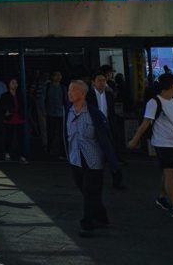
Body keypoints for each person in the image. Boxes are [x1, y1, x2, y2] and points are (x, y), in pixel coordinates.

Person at [128, 72, 173, 219]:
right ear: (172, 86)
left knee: (169, 173)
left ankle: (162, 197)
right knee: (170, 173)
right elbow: (145, 124)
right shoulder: (154, 102)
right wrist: (135, 140)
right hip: (163, 143)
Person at [65, 80, 119, 237]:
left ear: (83, 94)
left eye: (73, 90)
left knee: (89, 191)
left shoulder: (94, 114)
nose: (69, 93)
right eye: (69, 89)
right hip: (75, 159)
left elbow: (105, 138)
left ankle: (87, 223)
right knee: (87, 191)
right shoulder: (68, 113)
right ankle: (102, 217)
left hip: (93, 160)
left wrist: (113, 161)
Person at [86, 70, 125, 189]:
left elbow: (111, 112)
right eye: (99, 81)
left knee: (109, 153)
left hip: (107, 128)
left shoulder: (109, 95)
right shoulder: (88, 96)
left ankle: (116, 179)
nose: (102, 83)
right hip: (94, 128)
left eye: (104, 80)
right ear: (93, 82)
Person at [0, 77, 27, 163]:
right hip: (9, 118)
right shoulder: (4, 95)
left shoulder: (20, 95)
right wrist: (5, 112)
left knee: (20, 137)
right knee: (9, 137)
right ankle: (7, 153)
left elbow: (23, 106)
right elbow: (1, 106)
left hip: (19, 118)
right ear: (9, 84)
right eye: (13, 82)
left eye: (16, 83)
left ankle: (22, 155)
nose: (15, 84)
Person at [45, 71, 68, 158]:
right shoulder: (47, 87)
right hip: (50, 113)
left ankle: (62, 151)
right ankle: (51, 151)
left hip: (61, 114)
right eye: (56, 75)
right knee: (51, 133)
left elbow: (66, 101)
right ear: (52, 77)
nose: (58, 77)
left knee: (62, 133)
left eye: (60, 75)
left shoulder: (63, 88)